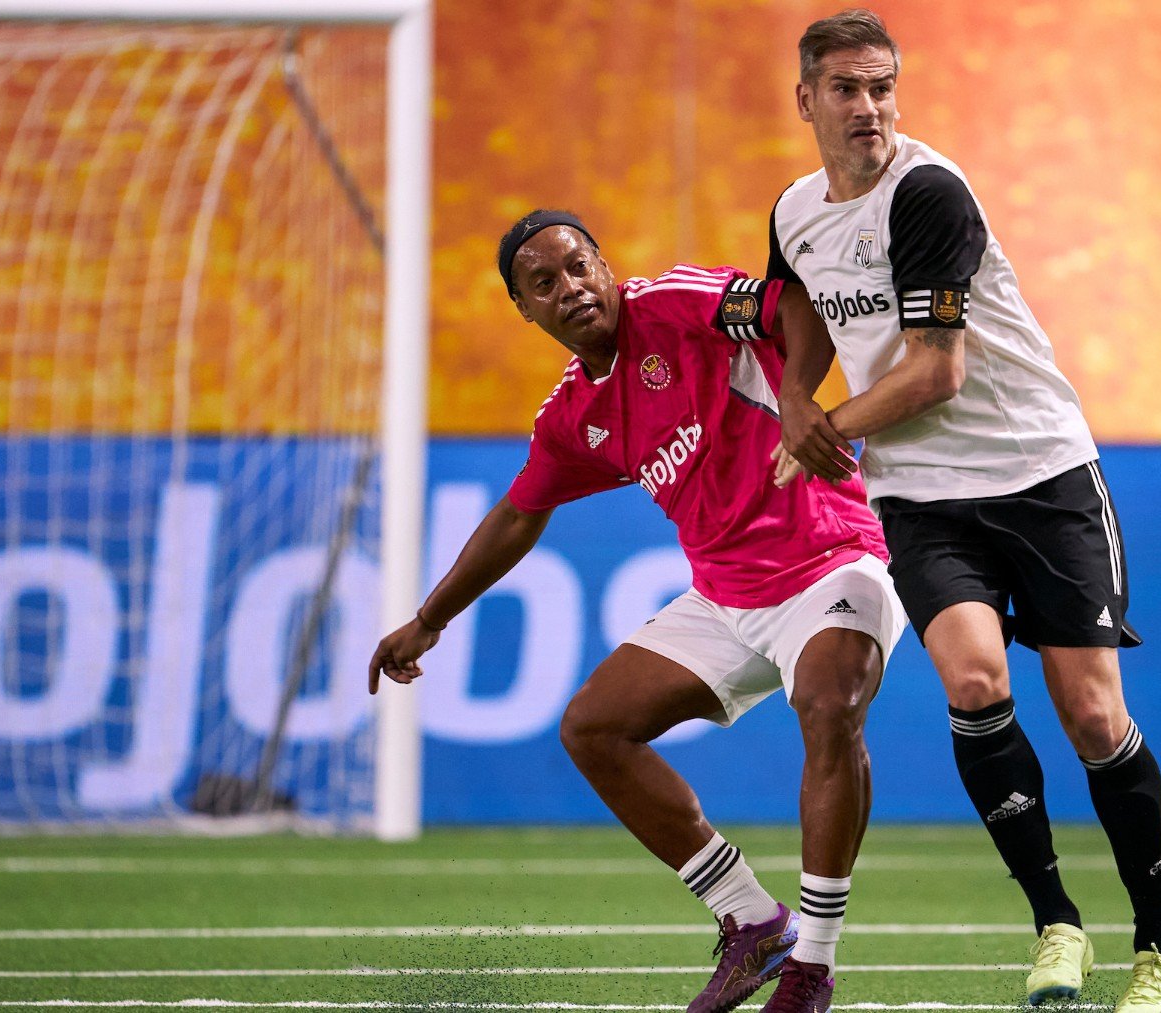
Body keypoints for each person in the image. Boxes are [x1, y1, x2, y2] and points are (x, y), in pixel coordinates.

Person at [370, 210, 906, 1013]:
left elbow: (794, 303)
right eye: (544, 284)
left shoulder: (682, 304)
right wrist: (431, 617)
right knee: (592, 726)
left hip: (830, 556)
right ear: (525, 310)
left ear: (605, 264)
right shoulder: (573, 416)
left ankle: (811, 968)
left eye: (579, 266)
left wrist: (797, 396)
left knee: (829, 705)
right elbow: (520, 513)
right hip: (726, 598)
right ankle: (751, 919)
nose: (571, 289)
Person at [764, 11, 1161, 1012]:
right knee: (972, 681)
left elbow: (937, 371)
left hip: (1038, 472)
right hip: (921, 495)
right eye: (846, 89)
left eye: (882, 87)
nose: (868, 106)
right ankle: (1056, 922)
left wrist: (819, 427)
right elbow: (799, 305)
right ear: (806, 101)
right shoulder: (793, 209)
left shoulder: (928, 192)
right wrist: (794, 395)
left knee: (1092, 714)